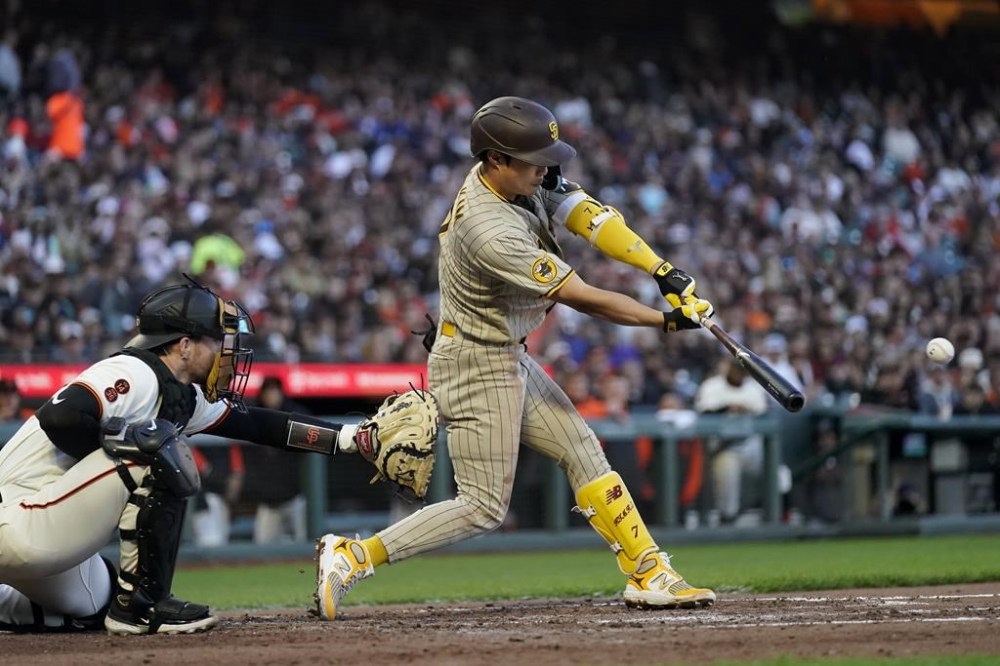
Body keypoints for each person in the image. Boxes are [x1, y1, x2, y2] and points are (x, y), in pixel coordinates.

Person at [316, 95, 716, 619]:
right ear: (496, 159)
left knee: (582, 450)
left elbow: (587, 214)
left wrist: (662, 270)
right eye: (535, 159)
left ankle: (648, 571)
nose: (546, 169)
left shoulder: (513, 177)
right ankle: (353, 555)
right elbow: (584, 297)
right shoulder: (489, 229)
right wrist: (665, 320)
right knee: (482, 508)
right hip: (476, 363)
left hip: (502, 351)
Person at [0, 277, 378, 635]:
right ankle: (144, 607)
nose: (225, 353)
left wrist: (352, 438)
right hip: (18, 517)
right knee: (155, 448)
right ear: (183, 345)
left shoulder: (185, 394)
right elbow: (61, 417)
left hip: (44, 527)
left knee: (96, 604)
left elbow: (260, 426)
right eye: (215, 341)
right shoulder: (133, 370)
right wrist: (120, 458)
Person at [693, 357, 768, 526]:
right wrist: (728, 408)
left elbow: (764, 416)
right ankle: (728, 517)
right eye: (735, 369)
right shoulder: (712, 386)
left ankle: (776, 513)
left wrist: (744, 409)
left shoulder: (753, 389)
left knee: (776, 471)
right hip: (722, 446)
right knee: (727, 468)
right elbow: (703, 413)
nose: (738, 373)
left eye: (741, 370)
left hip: (750, 444)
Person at [243, 376, 308, 544]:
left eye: (274, 391)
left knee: (305, 545)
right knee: (261, 546)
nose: (271, 396)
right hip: (268, 502)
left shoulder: (294, 415)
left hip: (294, 498)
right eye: (268, 392)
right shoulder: (254, 417)